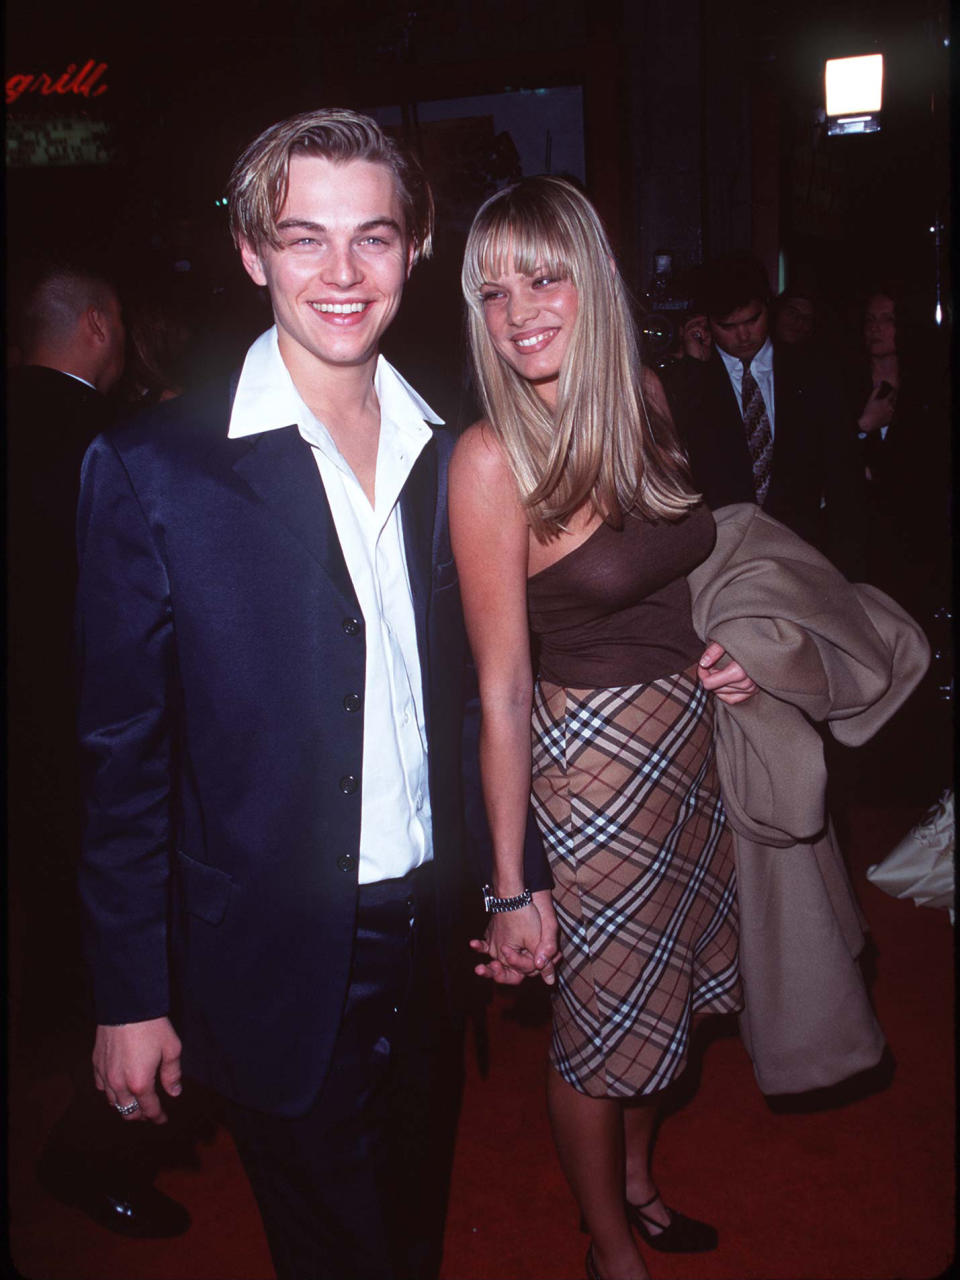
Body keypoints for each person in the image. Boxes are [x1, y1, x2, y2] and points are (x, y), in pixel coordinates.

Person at [74, 108, 553, 1280]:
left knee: (412, 1229)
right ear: (251, 251)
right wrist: (129, 991)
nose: (342, 273)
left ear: (417, 246)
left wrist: (513, 876)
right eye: (304, 238)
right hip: (271, 957)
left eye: (374, 238)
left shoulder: (455, 451)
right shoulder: (151, 470)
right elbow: (118, 752)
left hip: (429, 939)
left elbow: (494, 681)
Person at [449, 175, 756, 1280]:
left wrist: (710, 648)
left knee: (662, 990)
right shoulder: (492, 461)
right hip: (591, 767)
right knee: (601, 1029)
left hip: (683, 739)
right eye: (493, 290)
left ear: (596, 279)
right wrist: (510, 885)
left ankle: (635, 1180)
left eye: (544, 275)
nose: (520, 307)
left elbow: (681, 567)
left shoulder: (648, 397)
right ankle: (610, 1248)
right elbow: (499, 685)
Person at [6, 262, 196, 1237]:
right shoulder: (107, 447)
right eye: (116, 321)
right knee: (132, 945)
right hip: (93, 739)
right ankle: (93, 1147)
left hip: (27, 732)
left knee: (63, 930)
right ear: (92, 326)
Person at [660, 252, 866, 580]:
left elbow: (844, 477)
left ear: (769, 308)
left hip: (804, 556)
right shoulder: (690, 379)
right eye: (728, 326)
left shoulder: (815, 373)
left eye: (753, 320)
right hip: (721, 562)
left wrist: (849, 572)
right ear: (704, 322)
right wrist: (691, 368)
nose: (743, 336)